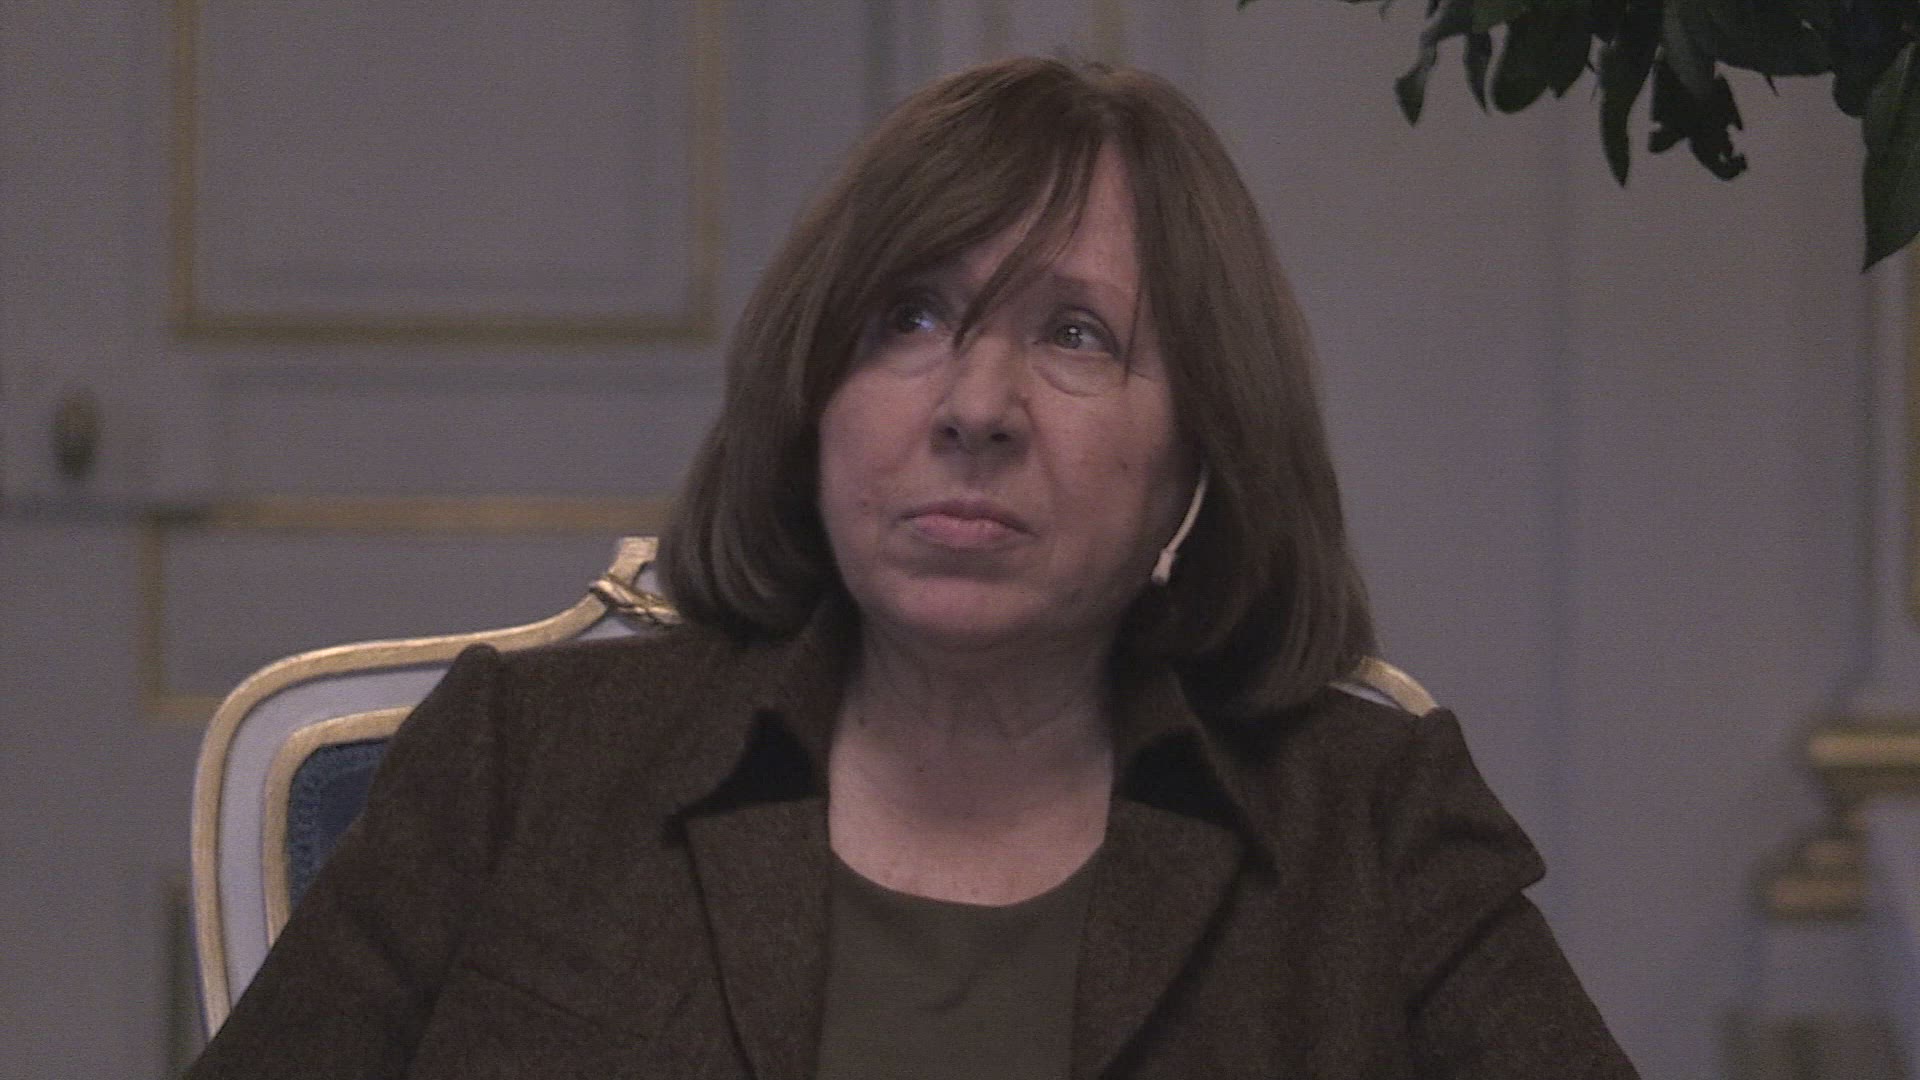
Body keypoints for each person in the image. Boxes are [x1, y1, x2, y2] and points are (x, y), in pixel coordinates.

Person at [188, 56, 1638, 1079]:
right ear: (816, 390)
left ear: (1204, 445)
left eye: (1077, 334)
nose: (975, 405)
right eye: (911, 318)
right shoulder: (526, 762)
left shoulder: (1366, 825)